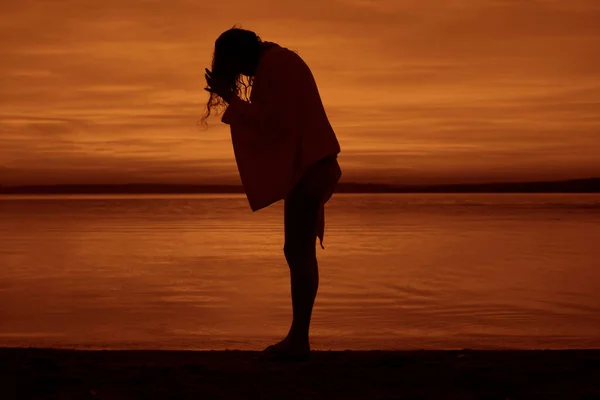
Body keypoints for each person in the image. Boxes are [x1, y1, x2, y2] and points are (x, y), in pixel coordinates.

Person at [202, 27, 342, 360]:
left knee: (298, 251)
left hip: (312, 167)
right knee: (298, 250)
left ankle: (299, 340)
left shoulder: (276, 65)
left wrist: (231, 100)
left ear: (240, 53)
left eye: (233, 64)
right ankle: (298, 337)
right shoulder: (279, 62)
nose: (239, 74)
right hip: (312, 166)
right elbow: (279, 124)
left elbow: (274, 124)